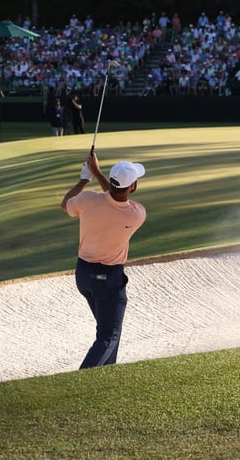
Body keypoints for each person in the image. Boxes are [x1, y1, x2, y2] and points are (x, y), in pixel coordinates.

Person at [61, 153, 147, 369]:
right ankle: (79, 382)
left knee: (108, 332)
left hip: (83, 276)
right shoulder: (136, 214)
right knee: (109, 335)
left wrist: (85, 177)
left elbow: (66, 204)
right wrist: (97, 173)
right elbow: (113, 196)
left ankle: (105, 379)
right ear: (132, 186)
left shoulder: (88, 199)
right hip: (107, 279)